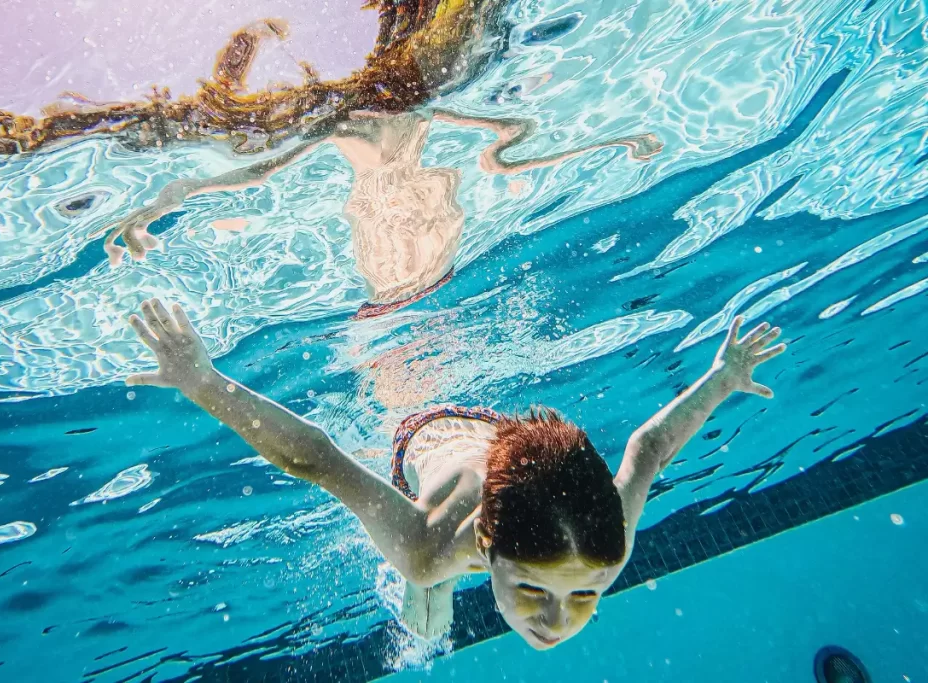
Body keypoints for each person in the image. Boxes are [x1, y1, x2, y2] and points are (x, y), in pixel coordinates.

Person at [126, 299, 786, 648]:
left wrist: (723, 378)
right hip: (421, 425)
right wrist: (203, 381)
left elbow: (650, 450)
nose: (559, 618)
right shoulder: (429, 542)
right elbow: (316, 456)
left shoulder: (603, 546)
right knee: (428, 610)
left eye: (584, 595)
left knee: (431, 608)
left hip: (512, 446)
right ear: (489, 547)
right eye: (535, 590)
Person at [105, 110, 661, 316]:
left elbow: (512, 142)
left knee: (401, 333)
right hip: (409, 270)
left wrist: (611, 142)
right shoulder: (374, 126)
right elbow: (512, 142)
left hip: (418, 269)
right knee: (400, 331)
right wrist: (154, 207)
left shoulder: (420, 118)